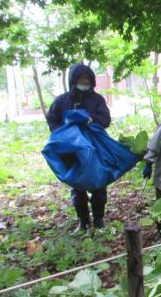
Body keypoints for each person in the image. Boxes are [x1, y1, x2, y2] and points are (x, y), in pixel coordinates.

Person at [46, 63, 112, 232]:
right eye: (81, 78)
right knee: (77, 186)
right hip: (72, 150)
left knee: (99, 183)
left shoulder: (97, 100)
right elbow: (52, 119)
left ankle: (98, 220)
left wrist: (91, 119)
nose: (84, 81)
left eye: (87, 78)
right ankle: (83, 221)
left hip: (94, 148)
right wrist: (64, 133)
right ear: (74, 80)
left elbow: (105, 119)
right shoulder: (62, 101)